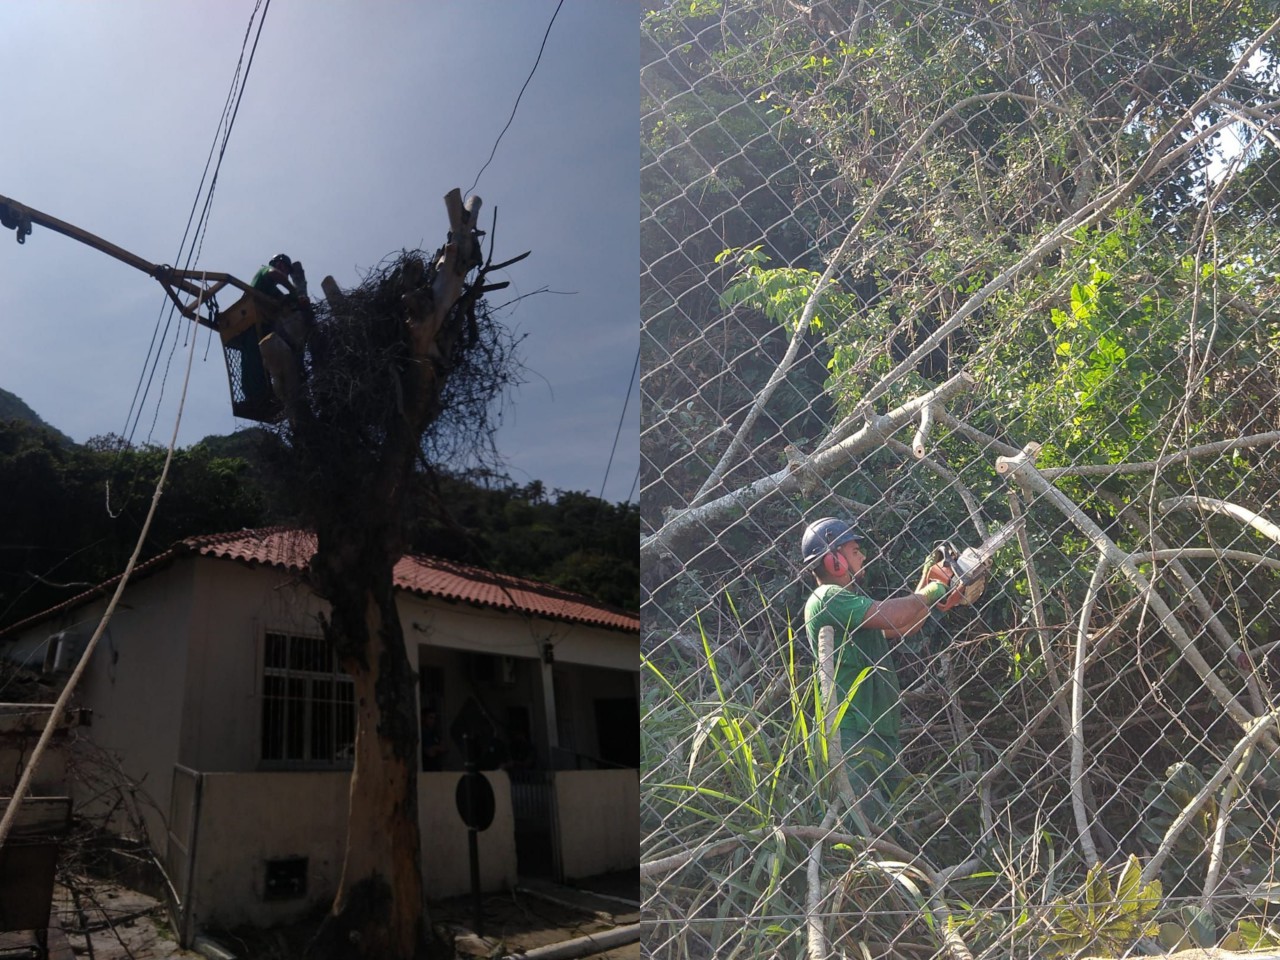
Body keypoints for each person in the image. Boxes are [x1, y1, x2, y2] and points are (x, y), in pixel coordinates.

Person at [801, 517, 967, 832]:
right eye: (854, 550)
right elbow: (892, 616)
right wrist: (935, 588)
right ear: (834, 560)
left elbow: (903, 625)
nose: (862, 556)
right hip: (851, 734)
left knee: (890, 824)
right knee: (865, 830)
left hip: (877, 729)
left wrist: (932, 592)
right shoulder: (827, 598)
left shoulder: (853, 607)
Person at [420, 706, 446, 771]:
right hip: (427, 769)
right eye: (430, 718)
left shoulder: (434, 733)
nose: (433, 721)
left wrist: (435, 748)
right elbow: (429, 752)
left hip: (436, 768)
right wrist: (436, 748)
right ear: (423, 718)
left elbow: (444, 747)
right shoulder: (421, 733)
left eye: (434, 718)